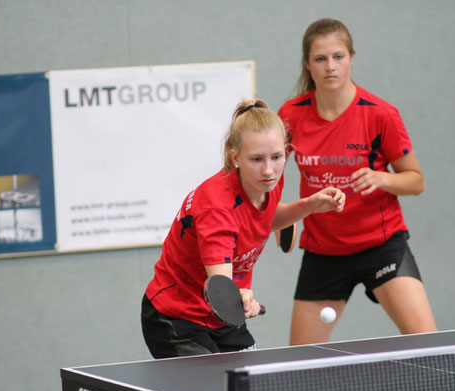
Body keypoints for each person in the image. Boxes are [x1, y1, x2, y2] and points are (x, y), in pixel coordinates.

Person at [141, 99, 345, 358]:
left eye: (277, 157)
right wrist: (241, 296)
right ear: (235, 157)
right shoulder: (217, 209)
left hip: (224, 317)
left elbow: (264, 219)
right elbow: (219, 287)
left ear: (286, 151)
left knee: (251, 385)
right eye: (257, 159)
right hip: (177, 317)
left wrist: (308, 206)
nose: (269, 170)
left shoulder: (267, 183)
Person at [278, 18, 437, 345]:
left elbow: (416, 181)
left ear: (351, 58)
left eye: (338, 57)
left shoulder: (380, 114)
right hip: (324, 252)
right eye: (320, 59)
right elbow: (272, 173)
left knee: (428, 346)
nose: (330, 67)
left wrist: (382, 178)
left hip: (381, 247)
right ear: (308, 65)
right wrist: (283, 215)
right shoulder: (291, 115)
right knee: (296, 365)